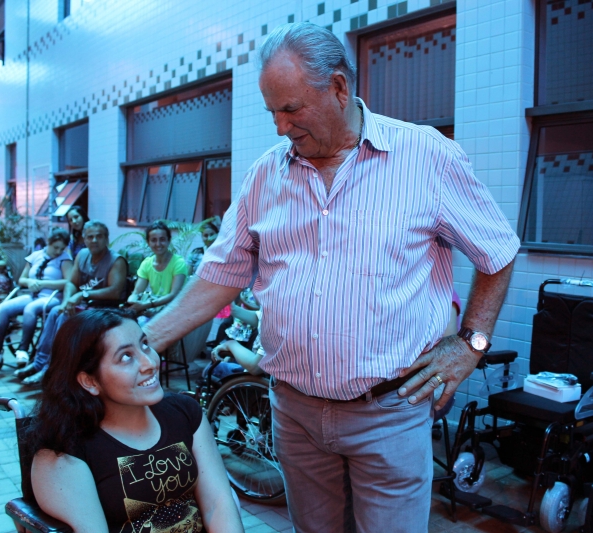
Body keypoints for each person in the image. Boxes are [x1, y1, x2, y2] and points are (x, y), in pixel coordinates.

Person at [145, 22, 520, 532]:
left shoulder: (427, 157)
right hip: (293, 412)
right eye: (272, 112)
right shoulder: (265, 175)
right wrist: (141, 343)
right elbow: (220, 274)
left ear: (339, 88)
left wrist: (471, 343)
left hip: (389, 412)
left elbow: (497, 251)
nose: (280, 127)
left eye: (291, 109)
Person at [27, 308, 243, 533]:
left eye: (145, 344)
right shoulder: (64, 452)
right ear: (89, 381)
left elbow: (218, 504)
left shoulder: (184, 412)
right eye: (126, 356)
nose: (149, 363)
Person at [15, 220, 127, 385]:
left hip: (104, 309)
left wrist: (82, 295)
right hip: (86, 306)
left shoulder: (116, 261)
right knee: (56, 311)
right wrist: (66, 301)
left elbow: (115, 291)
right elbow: (71, 283)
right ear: (85, 239)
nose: (94, 240)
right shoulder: (82, 255)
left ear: (106, 239)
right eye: (90, 237)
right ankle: (39, 363)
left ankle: (50, 369)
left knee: (65, 317)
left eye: (99, 236)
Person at [0, 229, 73, 367]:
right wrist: (30, 282)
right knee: (3, 307)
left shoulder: (64, 259)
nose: (58, 251)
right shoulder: (35, 256)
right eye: (55, 247)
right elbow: (22, 279)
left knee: (30, 309)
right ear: (48, 243)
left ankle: (23, 350)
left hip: (52, 297)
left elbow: (69, 282)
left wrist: (44, 283)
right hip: (33, 295)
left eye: (61, 248)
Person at [126, 221, 188, 322]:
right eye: (153, 240)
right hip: (155, 311)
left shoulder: (178, 262)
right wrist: (132, 300)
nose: (158, 244)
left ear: (169, 240)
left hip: (177, 312)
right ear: (148, 242)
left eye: (162, 239)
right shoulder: (146, 263)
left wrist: (147, 304)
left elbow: (173, 294)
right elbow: (137, 291)